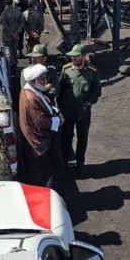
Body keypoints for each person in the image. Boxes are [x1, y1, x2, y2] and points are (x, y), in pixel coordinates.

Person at [18, 64, 64, 187]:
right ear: (33, 80)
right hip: (38, 145)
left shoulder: (32, 90)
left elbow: (44, 104)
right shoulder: (30, 97)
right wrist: (58, 120)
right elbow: (40, 120)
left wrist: (55, 111)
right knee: (41, 175)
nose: (45, 81)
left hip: (39, 141)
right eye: (42, 79)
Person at [59, 44, 102, 175]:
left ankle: (80, 162)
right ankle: (64, 162)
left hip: (83, 112)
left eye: (76, 56)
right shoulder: (66, 70)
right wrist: (60, 108)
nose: (73, 59)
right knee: (66, 137)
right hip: (68, 111)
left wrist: (89, 102)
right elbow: (61, 90)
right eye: (72, 56)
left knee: (82, 138)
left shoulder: (92, 71)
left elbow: (97, 90)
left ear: (83, 56)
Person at [0, 0, 24, 65]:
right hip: (16, 36)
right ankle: (15, 64)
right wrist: (17, 32)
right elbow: (22, 22)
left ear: (5, 3)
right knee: (14, 50)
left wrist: (11, 33)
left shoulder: (4, 13)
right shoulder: (17, 11)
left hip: (7, 36)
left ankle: (11, 66)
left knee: (8, 52)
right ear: (12, 2)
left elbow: (4, 25)